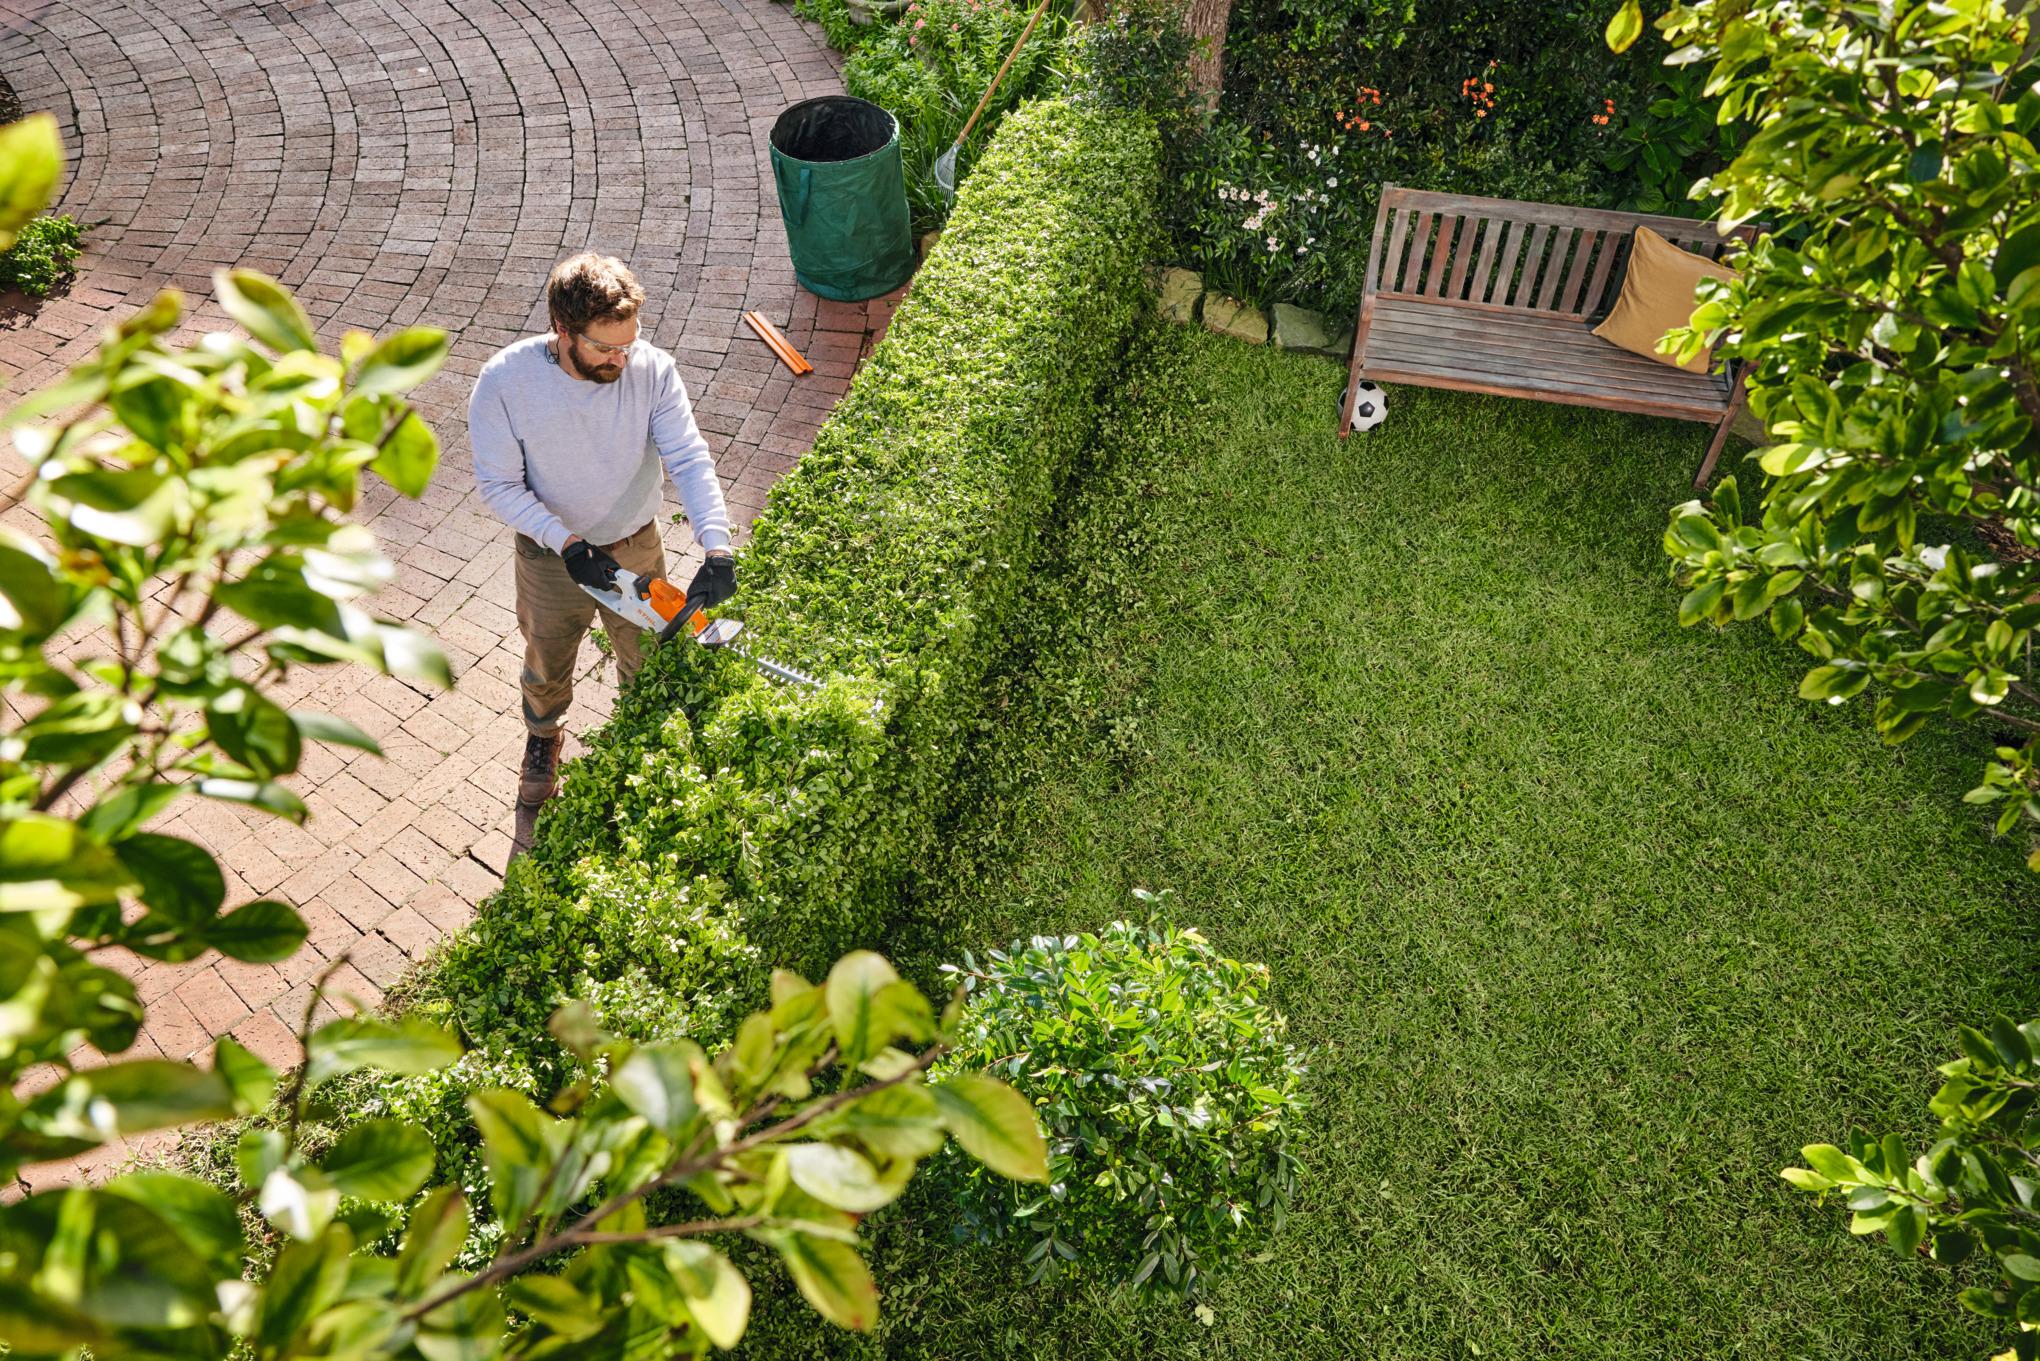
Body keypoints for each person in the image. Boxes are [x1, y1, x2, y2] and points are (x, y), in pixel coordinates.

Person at [468, 252, 738, 853]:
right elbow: (499, 484)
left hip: (634, 544)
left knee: (648, 659)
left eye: (629, 345)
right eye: (605, 349)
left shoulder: (652, 370)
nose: (622, 359)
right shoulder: (505, 382)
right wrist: (564, 542)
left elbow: (688, 457)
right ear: (563, 330)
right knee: (547, 657)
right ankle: (544, 738)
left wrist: (717, 546)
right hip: (551, 557)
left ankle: (642, 748)